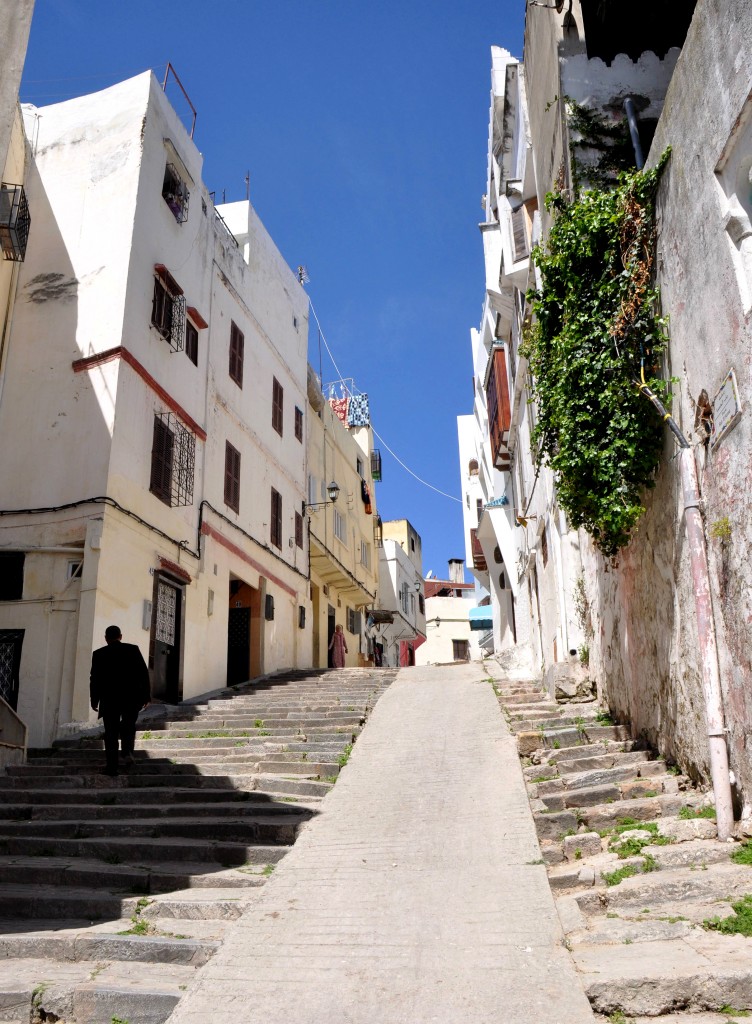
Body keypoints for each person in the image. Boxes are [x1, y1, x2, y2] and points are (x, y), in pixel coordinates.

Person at [90, 625, 151, 776]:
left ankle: (112, 767)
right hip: (131, 697)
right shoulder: (133, 650)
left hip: (109, 699)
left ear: (106, 638)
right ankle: (127, 752)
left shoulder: (99, 654)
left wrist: (94, 699)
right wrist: (146, 696)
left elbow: (95, 679)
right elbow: (143, 673)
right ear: (121, 636)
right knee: (129, 725)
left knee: (110, 732)